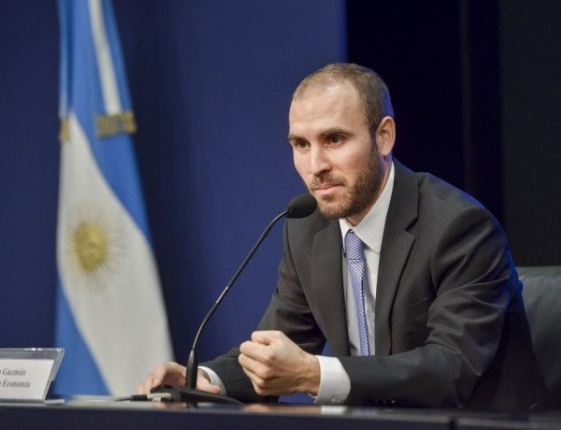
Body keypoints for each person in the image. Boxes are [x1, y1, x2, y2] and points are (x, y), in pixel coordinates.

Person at [138, 63, 545, 410]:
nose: (315, 165)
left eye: (334, 139)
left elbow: (450, 370)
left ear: (383, 136)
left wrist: (313, 374)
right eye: (300, 144)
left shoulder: (459, 227)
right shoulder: (307, 229)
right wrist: (202, 378)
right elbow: (278, 352)